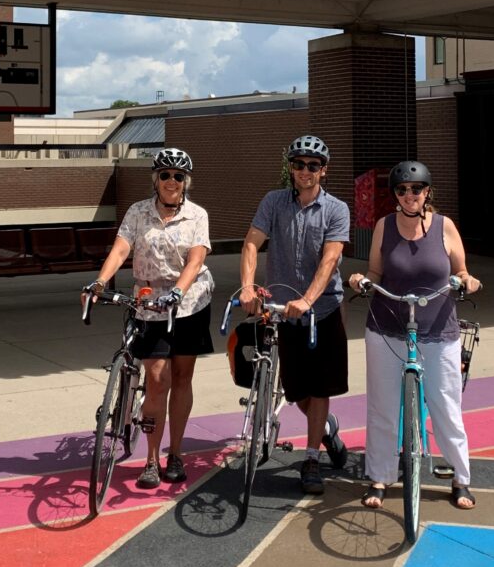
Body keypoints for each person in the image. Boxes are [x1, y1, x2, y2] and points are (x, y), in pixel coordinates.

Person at [349, 160, 482, 511]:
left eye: (416, 189)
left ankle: (460, 478)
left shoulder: (444, 226)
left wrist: (468, 280)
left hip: (438, 327)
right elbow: (376, 270)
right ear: (395, 195)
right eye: (402, 190)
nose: (409, 195)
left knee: (445, 405)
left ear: (427, 193)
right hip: (386, 326)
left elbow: (462, 269)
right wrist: (361, 280)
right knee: (382, 406)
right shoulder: (383, 226)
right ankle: (379, 476)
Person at [92, 147, 214, 489]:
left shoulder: (197, 215)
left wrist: (179, 290)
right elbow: (120, 249)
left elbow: (195, 259)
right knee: (158, 379)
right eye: (165, 175)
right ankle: (150, 458)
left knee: (182, 376)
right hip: (149, 303)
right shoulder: (137, 212)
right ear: (155, 180)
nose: (171, 181)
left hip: (188, 303)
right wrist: (100, 281)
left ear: (186, 182)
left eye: (178, 176)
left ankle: (175, 453)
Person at [240, 134, 350, 494]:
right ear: (291, 168)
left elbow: (330, 258)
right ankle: (328, 430)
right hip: (282, 311)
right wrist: (247, 285)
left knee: (319, 387)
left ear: (324, 171)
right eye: (299, 164)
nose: (306, 171)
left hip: (323, 310)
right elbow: (251, 243)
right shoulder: (274, 202)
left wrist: (308, 299)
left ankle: (311, 459)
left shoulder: (336, 209)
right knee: (294, 388)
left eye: (313, 166)